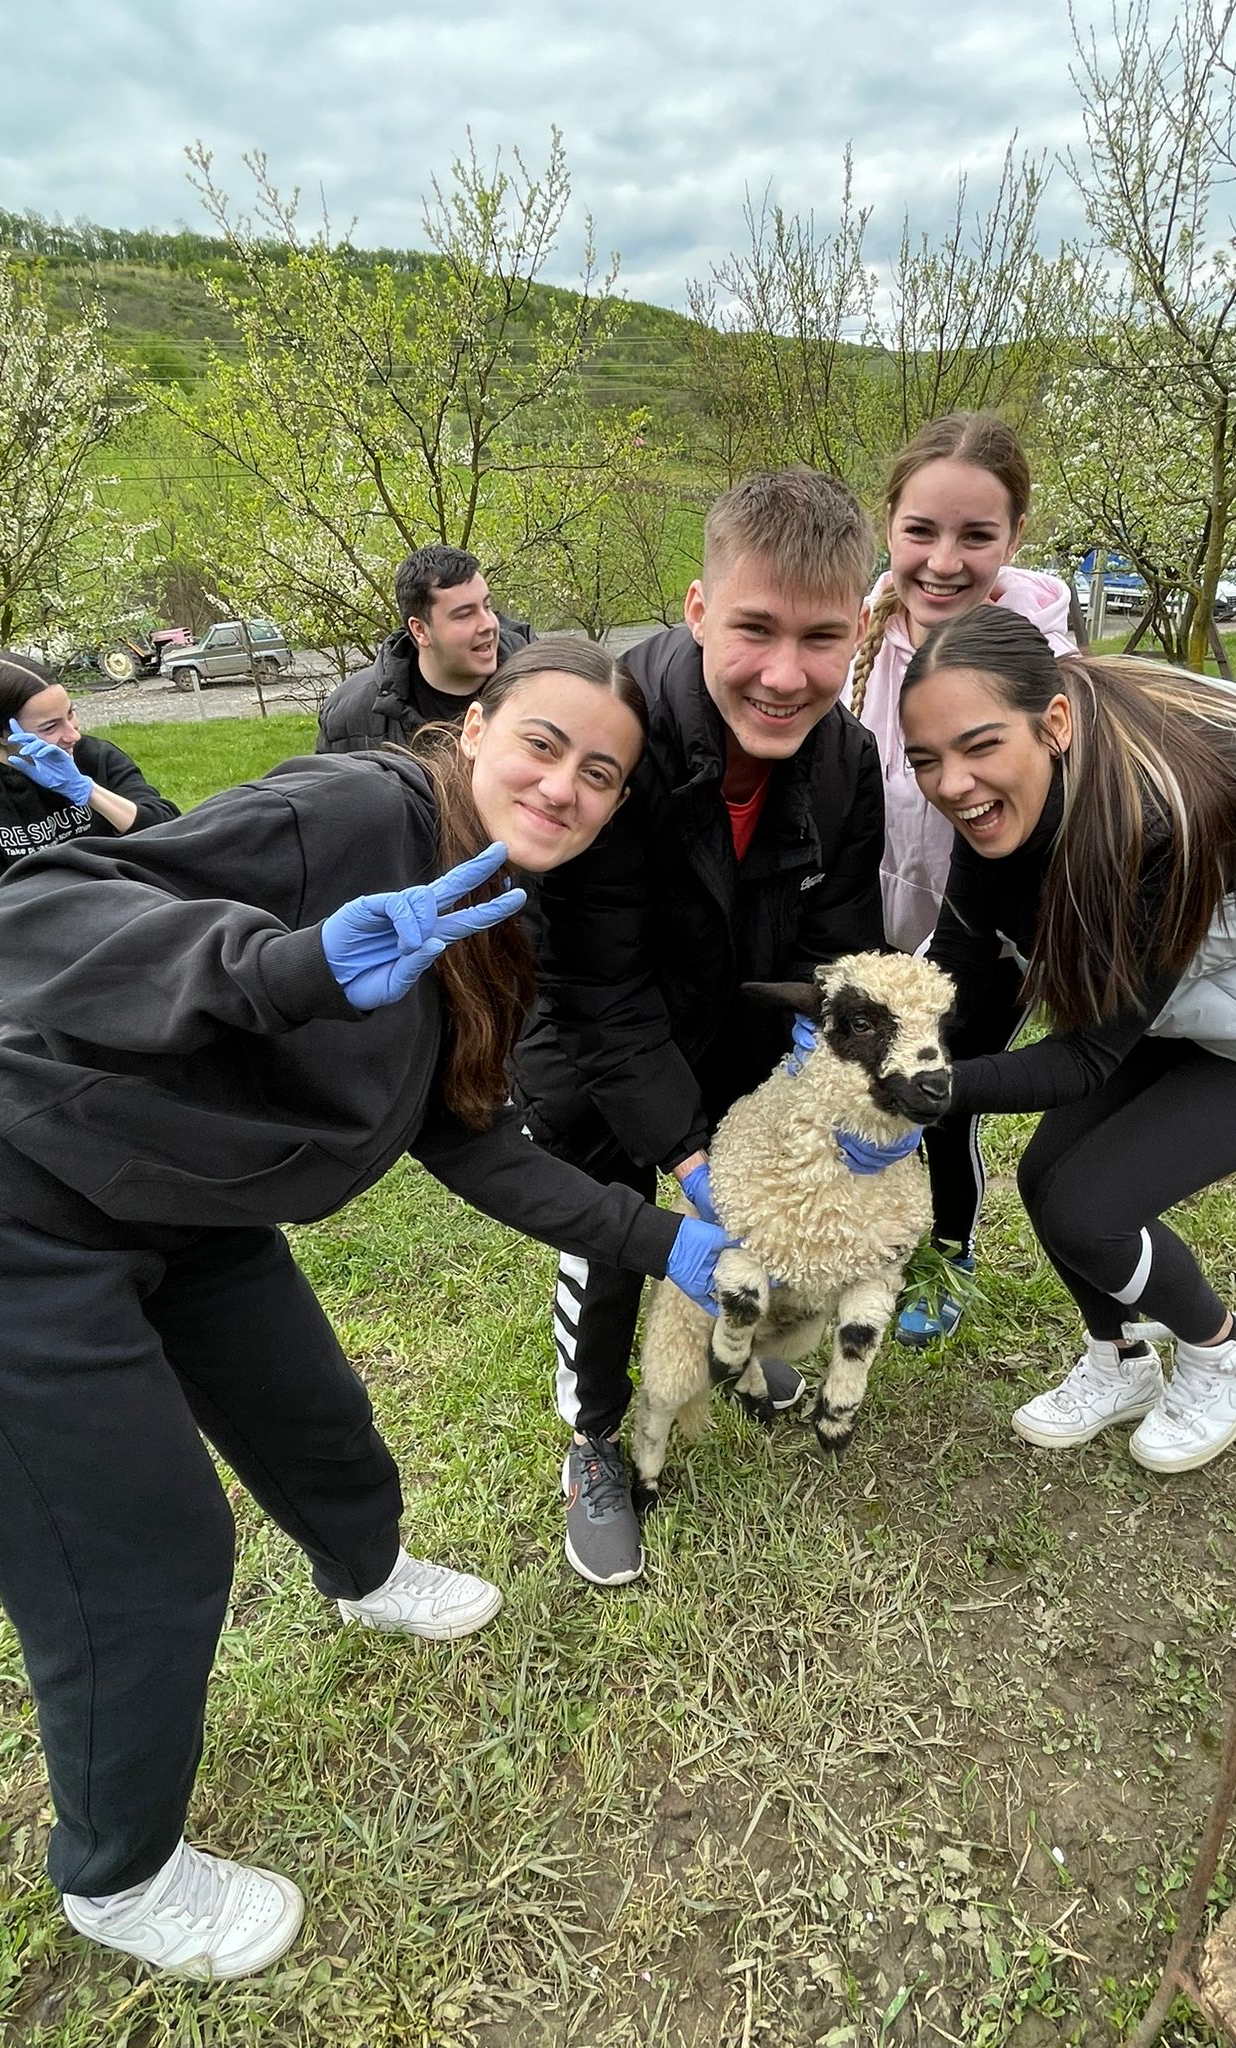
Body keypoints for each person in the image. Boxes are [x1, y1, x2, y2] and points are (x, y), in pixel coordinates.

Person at [0, 638, 738, 1982]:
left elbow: (469, 1136)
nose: (566, 788)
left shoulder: (499, 909)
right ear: (474, 728)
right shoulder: (356, 811)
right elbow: (42, 910)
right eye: (543, 744)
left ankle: (364, 1576)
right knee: (142, 1563)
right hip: (4, 1194)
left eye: (602, 774)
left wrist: (666, 1242)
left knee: (320, 1423)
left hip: (187, 1202)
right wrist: (284, 965)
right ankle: (118, 1878)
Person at [893, 605, 1236, 1473]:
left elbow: (1083, 1059)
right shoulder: (1019, 794)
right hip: (1213, 969)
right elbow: (965, 964)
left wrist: (936, 1090)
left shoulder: (1156, 820)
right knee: (1046, 1177)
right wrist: (880, 1046)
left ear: (1055, 723)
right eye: (926, 760)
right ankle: (1119, 1359)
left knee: (1092, 1207)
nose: (952, 783)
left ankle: (1229, 1353)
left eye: (978, 747)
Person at [513, 467, 891, 1590]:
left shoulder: (847, 761)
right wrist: (686, 1153)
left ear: (860, 629)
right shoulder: (613, 747)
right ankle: (593, 1437)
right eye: (754, 630)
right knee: (618, 1234)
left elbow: (835, 950)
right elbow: (597, 990)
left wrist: (825, 1090)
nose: (785, 675)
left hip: (737, 1047)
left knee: (761, 1224)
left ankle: (738, 1349)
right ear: (695, 608)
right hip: (593, 1050)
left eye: (822, 638)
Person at [841, 416, 1079, 1347]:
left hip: (985, 932)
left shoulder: (1038, 662)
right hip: (879, 910)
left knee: (941, 1093)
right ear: (889, 526)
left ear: (1014, 538)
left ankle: (947, 1251)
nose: (944, 561)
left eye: (976, 536)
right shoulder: (861, 632)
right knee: (863, 1080)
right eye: (921, 532)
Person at [0, 652, 179, 958]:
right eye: (50, 727)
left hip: (133, 921)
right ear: (2, 732)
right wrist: (30, 945)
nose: (72, 734)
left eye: (71, 714)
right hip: (41, 956)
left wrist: (87, 790)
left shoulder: (94, 757)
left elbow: (166, 831)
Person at [316, 544, 533, 753]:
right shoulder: (350, 715)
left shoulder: (540, 682)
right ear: (420, 630)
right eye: (465, 615)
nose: (488, 624)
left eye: (487, 607)